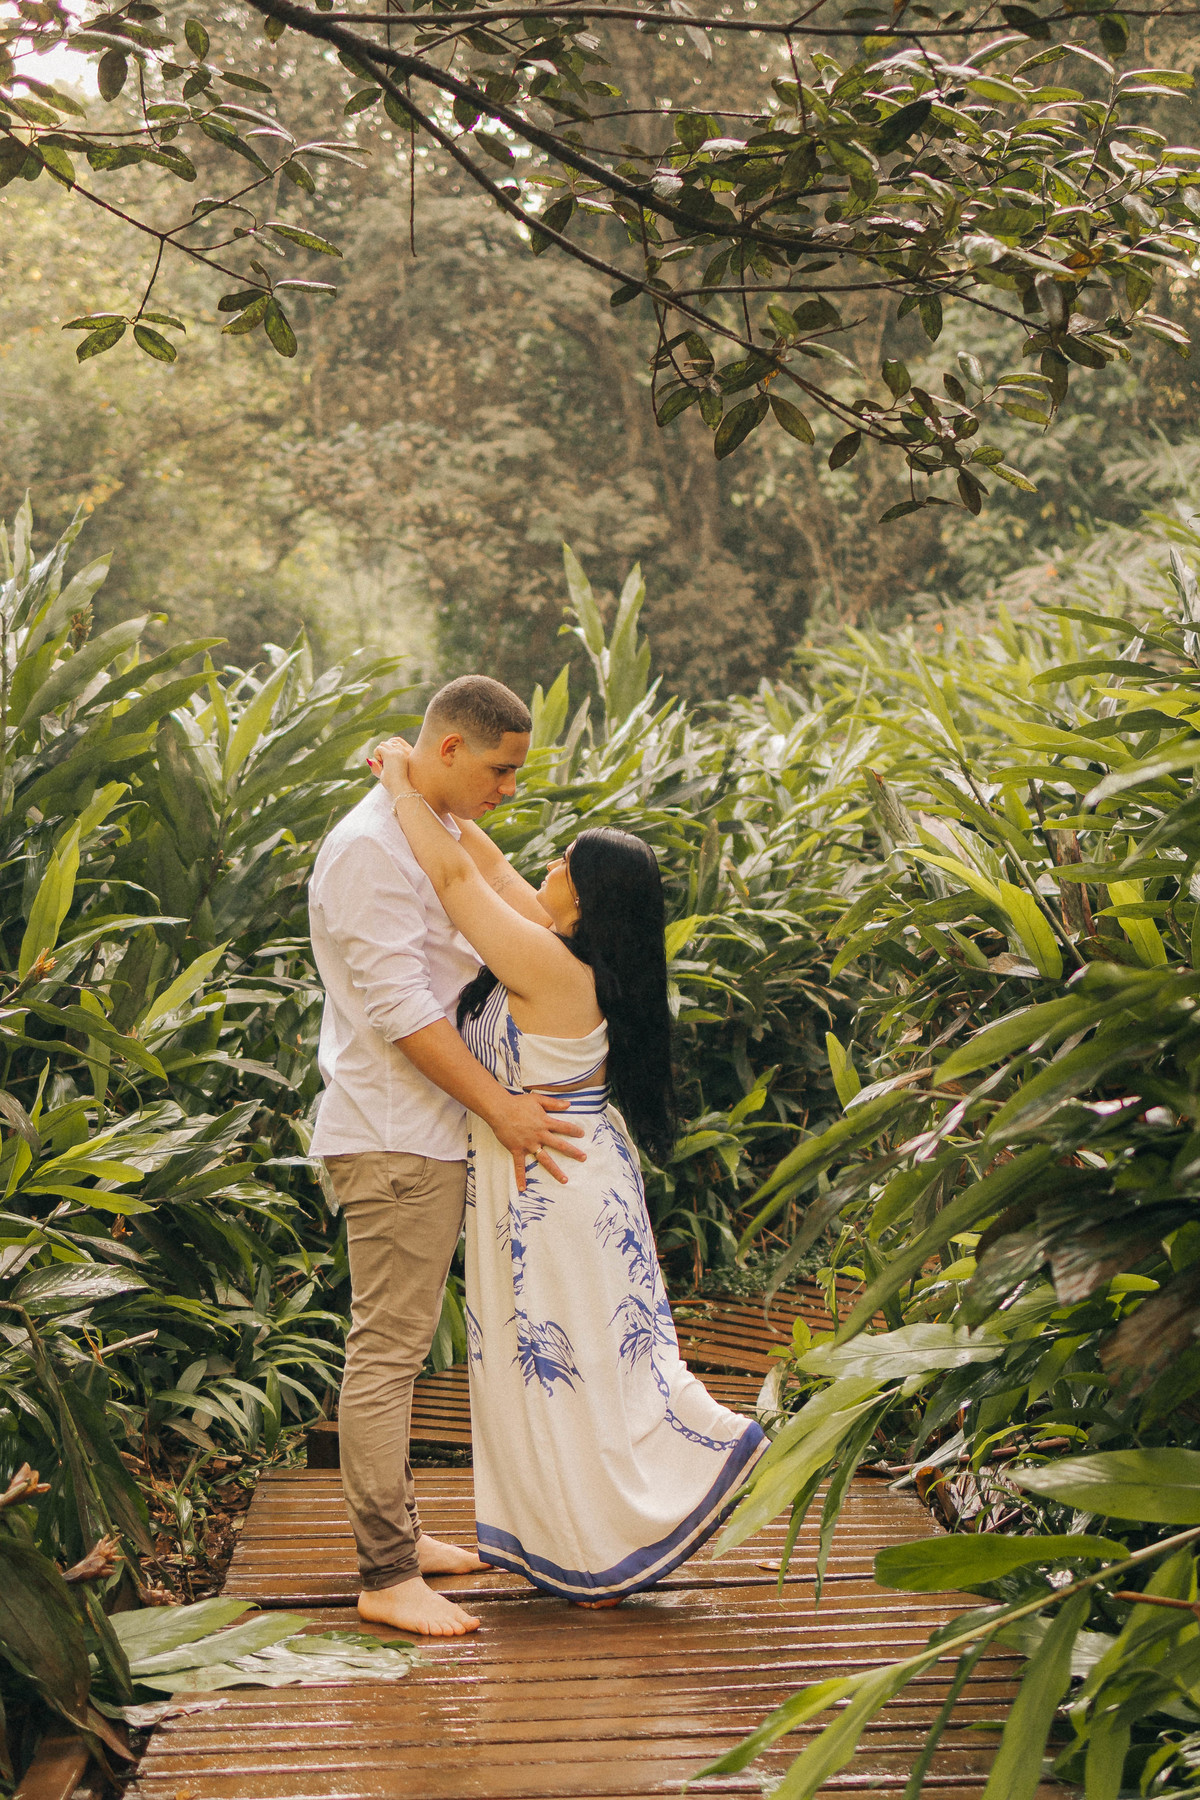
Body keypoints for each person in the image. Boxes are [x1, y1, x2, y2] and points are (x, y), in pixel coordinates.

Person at [369, 736, 767, 1606]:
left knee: (575, 1364)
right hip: (562, 1173)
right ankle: (586, 1540)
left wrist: (401, 786)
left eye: (563, 864)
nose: (545, 868)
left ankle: (633, 1521)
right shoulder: (563, 942)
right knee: (567, 1364)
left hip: (557, 1186)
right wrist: (437, 790)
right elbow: (486, 863)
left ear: (584, 898)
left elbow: (458, 881)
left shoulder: (550, 964)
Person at [308, 677, 586, 1639]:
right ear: (453, 748)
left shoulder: (435, 825)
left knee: (403, 1345)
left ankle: (404, 1536)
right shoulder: (369, 851)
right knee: (385, 1353)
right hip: (393, 1135)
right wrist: (502, 1108)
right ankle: (385, 1574)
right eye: (502, 769)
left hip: (426, 1134)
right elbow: (403, 1013)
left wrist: (406, 782)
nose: (512, 787)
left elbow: (514, 909)